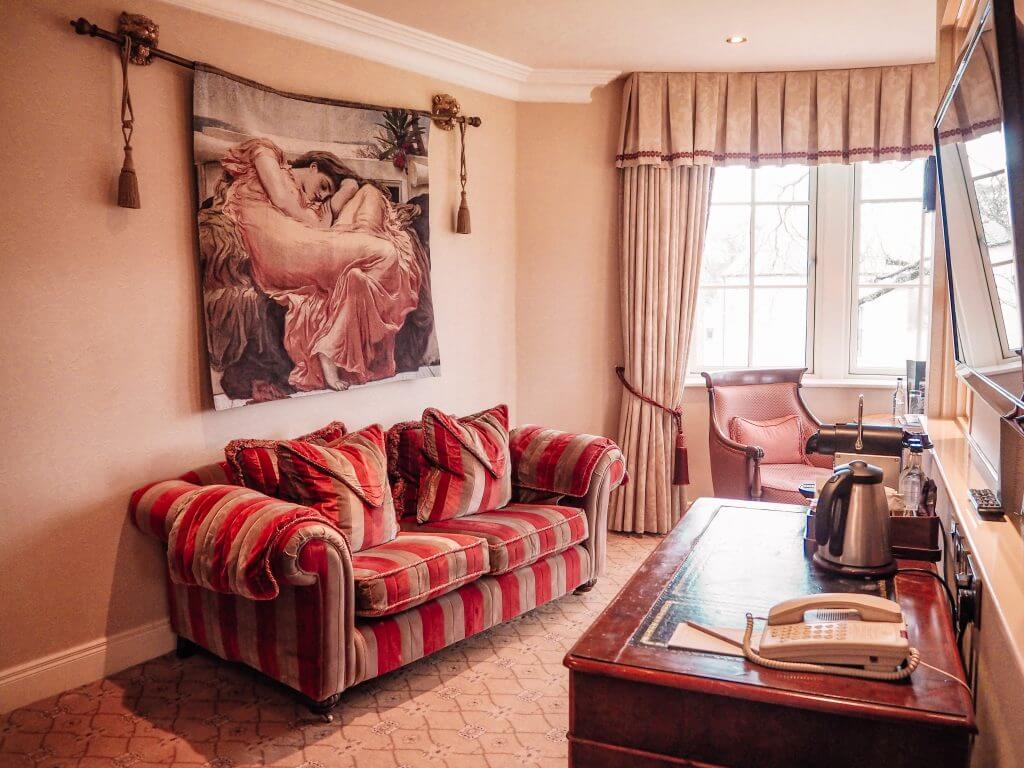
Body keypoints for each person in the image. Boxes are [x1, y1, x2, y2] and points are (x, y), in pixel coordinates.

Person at [215, 138, 424, 391]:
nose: (322, 194)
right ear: (313, 166)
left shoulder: (309, 204)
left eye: (327, 193)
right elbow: (281, 199)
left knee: (360, 261)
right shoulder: (265, 152)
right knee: (386, 252)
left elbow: (324, 221)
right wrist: (323, 212)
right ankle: (332, 344)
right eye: (324, 185)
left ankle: (331, 345)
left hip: (301, 246)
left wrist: (346, 190)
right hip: (285, 250)